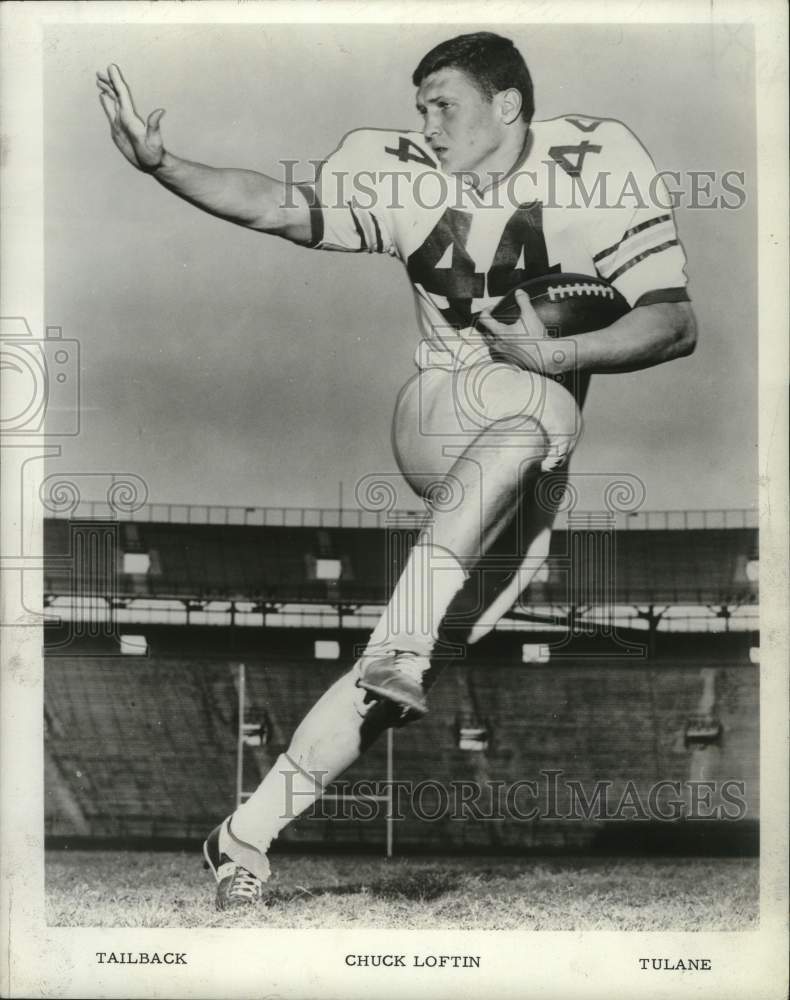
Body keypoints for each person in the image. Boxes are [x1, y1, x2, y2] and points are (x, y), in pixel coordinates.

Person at [97, 31, 696, 909]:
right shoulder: (400, 171)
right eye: (419, 106)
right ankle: (405, 637)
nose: (425, 121)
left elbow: (674, 321)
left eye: (442, 103)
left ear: (508, 105)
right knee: (534, 416)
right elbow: (271, 203)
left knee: (401, 678)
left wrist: (563, 348)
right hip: (441, 413)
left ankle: (244, 835)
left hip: (525, 465)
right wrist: (164, 167)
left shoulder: (600, 162)